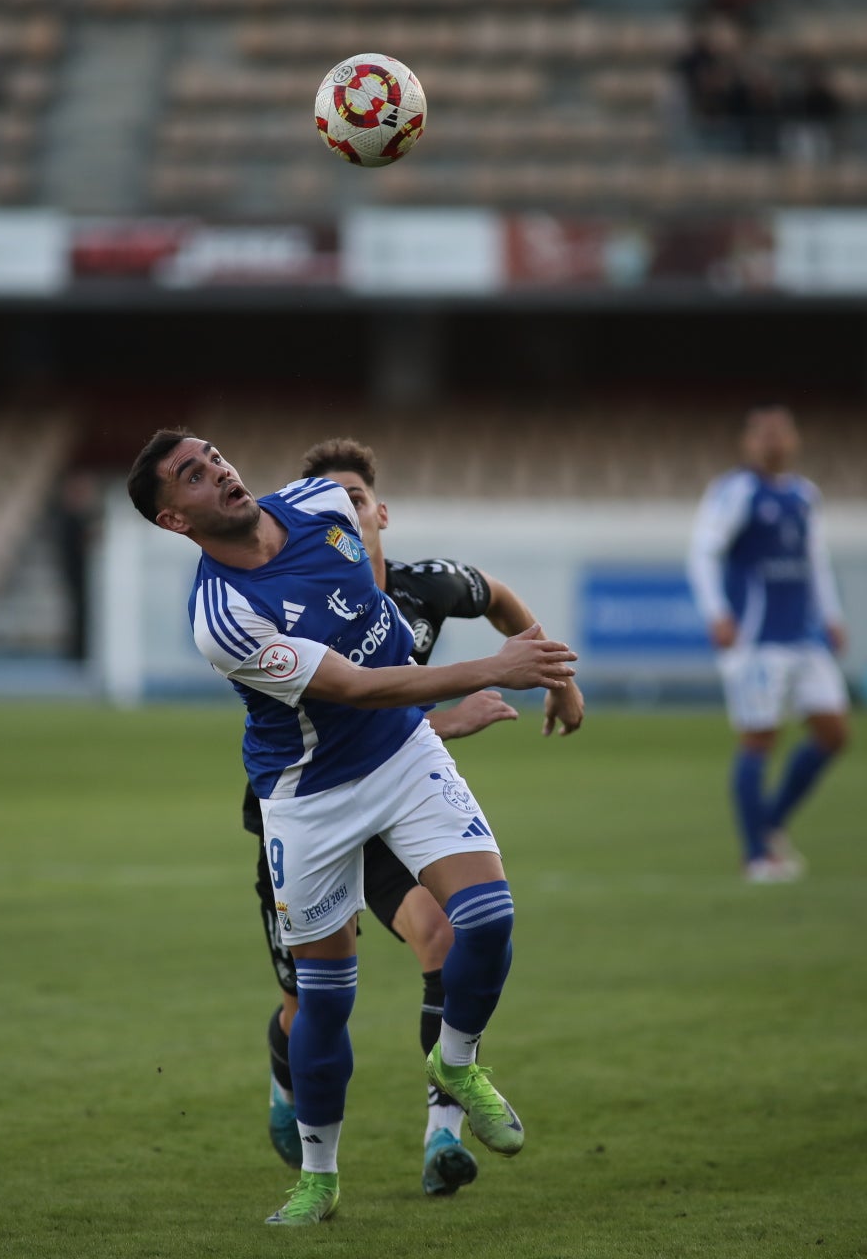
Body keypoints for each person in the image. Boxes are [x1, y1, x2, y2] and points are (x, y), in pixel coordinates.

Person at [127, 429, 577, 1224]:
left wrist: (532, 669)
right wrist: (493, 669)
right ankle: (320, 1177)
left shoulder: (322, 501)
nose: (221, 471)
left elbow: (376, 598)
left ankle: (458, 1062)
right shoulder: (223, 618)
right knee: (325, 1000)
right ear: (174, 520)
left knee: (487, 915)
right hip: (308, 800)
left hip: (402, 756)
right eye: (193, 475)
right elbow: (357, 686)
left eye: (217, 456)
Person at [252, 439, 584, 1198]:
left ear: (380, 511)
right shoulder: (292, 603)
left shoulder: (424, 586)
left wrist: (556, 680)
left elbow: (499, 598)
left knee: (448, 935)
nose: (346, 512)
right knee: (309, 1001)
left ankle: (442, 1133)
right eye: (328, 500)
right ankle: (286, 1085)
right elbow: (348, 704)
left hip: (394, 804)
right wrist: (446, 719)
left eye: (357, 499)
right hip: (310, 811)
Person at [688, 405, 850, 883]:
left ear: (795, 439)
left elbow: (815, 560)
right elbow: (702, 552)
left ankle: (772, 820)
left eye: (780, 433)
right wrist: (717, 613)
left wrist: (832, 615)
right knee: (759, 736)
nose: (772, 442)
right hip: (756, 639)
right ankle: (757, 853)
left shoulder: (805, 495)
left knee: (834, 733)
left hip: (804, 636)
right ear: (747, 442)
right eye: (762, 434)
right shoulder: (736, 491)